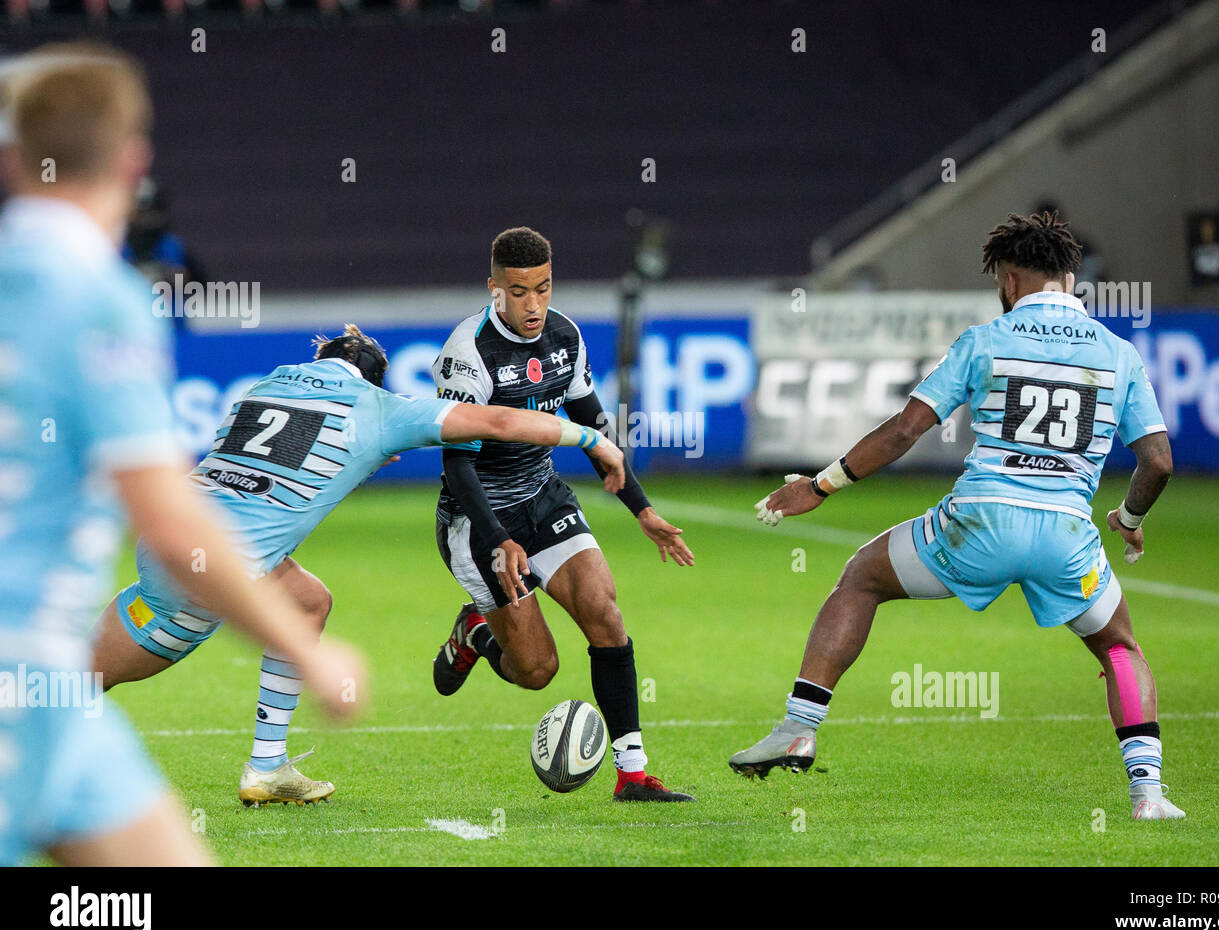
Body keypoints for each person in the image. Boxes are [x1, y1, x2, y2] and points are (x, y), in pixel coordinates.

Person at [0, 43, 365, 867]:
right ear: (133, 162)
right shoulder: (104, 302)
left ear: (15, 159)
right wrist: (309, 652)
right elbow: (171, 524)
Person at [731, 211, 1185, 822]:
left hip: (978, 523)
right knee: (1119, 648)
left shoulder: (985, 340)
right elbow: (1158, 462)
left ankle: (798, 729)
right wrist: (1128, 518)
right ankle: (1147, 794)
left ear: (1009, 281)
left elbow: (905, 430)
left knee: (862, 577)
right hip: (1066, 536)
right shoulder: (1119, 353)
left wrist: (821, 484)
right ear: (1071, 280)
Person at [90, 323, 625, 807]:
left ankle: (267, 767)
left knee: (306, 601)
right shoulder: (379, 408)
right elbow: (500, 421)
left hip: (172, 533)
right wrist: (590, 437)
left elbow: (274, 455)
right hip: (216, 573)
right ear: (374, 380)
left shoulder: (265, 385)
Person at [430, 226, 697, 802]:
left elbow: (594, 425)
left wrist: (643, 510)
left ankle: (632, 775)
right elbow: (457, 464)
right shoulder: (467, 353)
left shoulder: (564, 336)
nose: (533, 305)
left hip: (544, 497)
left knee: (605, 612)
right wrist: (498, 539)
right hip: (478, 520)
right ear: (494, 288)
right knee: (537, 671)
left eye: (543, 288)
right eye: (518, 292)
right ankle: (475, 632)